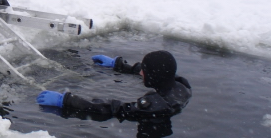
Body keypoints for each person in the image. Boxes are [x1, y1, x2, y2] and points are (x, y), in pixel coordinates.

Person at [36, 50, 192, 122]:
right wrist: (119, 65)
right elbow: (160, 71)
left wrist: (68, 100)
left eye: (144, 71)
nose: (141, 73)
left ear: (153, 76)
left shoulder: (153, 106)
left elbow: (111, 110)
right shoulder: (182, 86)